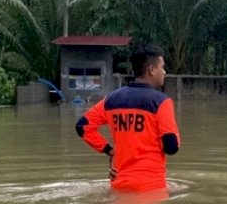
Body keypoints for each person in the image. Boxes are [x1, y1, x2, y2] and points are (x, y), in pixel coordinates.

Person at [76, 44, 180, 192]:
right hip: (150, 186)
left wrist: (109, 150)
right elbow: (171, 147)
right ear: (151, 70)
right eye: (162, 67)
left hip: (119, 183)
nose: (164, 72)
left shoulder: (111, 100)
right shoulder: (162, 102)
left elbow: (82, 126)